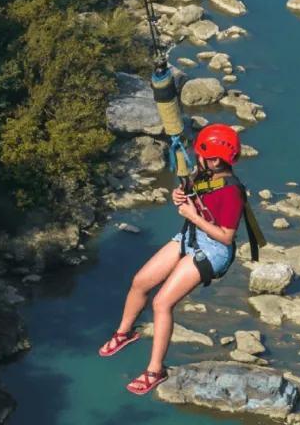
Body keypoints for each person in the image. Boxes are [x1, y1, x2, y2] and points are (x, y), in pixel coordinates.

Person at [98, 124, 246, 395]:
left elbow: (226, 237)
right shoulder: (203, 173)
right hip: (192, 234)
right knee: (140, 281)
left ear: (214, 160)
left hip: (213, 250)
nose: (197, 157)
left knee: (161, 302)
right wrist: (179, 195)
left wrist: (192, 216)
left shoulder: (232, 192)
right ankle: (125, 332)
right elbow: (188, 193)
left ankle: (156, 369)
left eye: (201, 154)